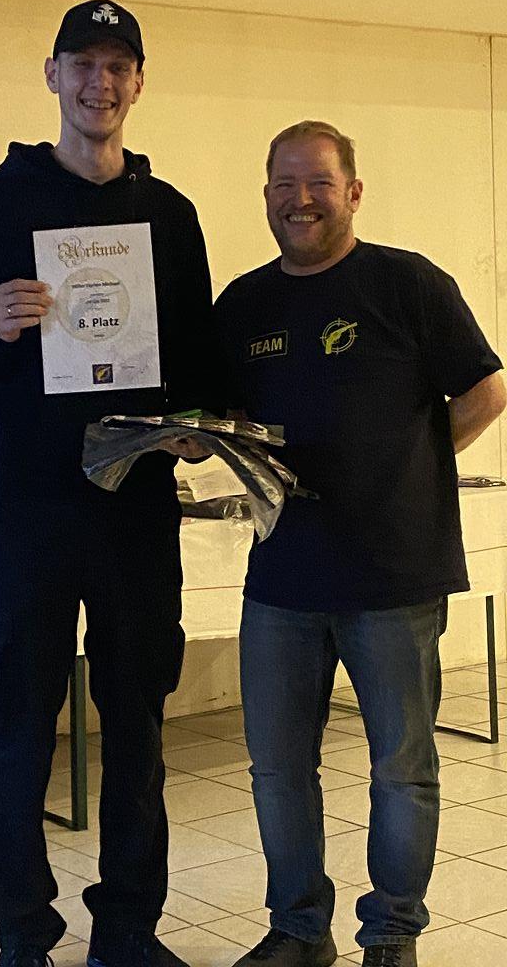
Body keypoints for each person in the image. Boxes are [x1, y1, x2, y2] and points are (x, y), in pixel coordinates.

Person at [0, 0, 214, 967]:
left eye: (118, 65)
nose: (101, 82)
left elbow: (198, 366)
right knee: (17, 735)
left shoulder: (170, 216)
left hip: (138, 514)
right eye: (83, 63)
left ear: (139, 82)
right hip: (32, 513)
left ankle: (127, 933)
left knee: (138, 731)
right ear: (53, 76)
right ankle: (24, 938)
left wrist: (196, 430)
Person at [213, 120, 506, 967]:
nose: (300, 200)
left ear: (353, 191)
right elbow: (223, 415)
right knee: (277, 771)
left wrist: (415, 466)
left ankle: (391, 936)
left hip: (395, 576)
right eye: (284, 184)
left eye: (318, 182)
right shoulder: (244, 304)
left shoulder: (407, 284)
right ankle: (299, 931)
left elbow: (486, 390)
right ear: (266, 195)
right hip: (282, 578)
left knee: (401, 769)